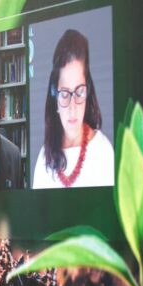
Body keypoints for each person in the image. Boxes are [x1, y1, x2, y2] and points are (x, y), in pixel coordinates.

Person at [33, 29, 114, 189]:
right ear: (55, 96)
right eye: (64, 94)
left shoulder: (104, 152)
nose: (72, 108)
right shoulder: (43, 159)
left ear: (87, 92)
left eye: (79, 91)